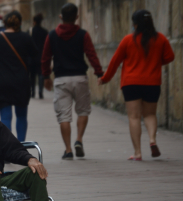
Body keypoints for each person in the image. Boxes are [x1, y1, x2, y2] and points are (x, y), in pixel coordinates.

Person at [98, 10, 174, 161]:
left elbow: (115, 61)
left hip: (131, 83)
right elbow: (169, 57)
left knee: (134, 117)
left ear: (135, 24)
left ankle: (138, 152)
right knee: (150, 114)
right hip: (152, 83)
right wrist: (155, 63)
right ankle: (152, 140)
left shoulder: (128, 40)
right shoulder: (161, 39)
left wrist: (105, 78)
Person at [41, 3, 103, 160]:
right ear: (76, 17)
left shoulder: (52, 35)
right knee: (83, 111)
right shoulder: (83, 34)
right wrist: (99, 72)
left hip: (61, 79)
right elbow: (91, 54)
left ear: (61, 17)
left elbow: (45, 57)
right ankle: (79, 140)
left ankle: (68, 149)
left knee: (64, 116)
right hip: (80, 78)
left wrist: (46, 76)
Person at [0, 11, 38, 142]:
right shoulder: (26, 38)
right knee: (22, 116)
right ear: (20, 23)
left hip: (2, 82)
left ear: (5, 23)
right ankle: (21, 146)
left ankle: (8, 148)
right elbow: (36, 59)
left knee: (5, 117)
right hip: (21, 82)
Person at [29, 13, 48, 99]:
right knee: (41, 74)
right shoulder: (45, 32)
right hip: (41, 55)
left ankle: (32, 92)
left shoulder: (30, 31)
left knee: (32, 75)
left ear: (34, 22)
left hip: (32, 56)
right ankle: (40, 92)